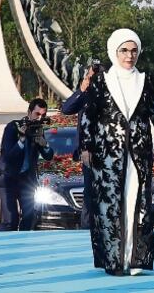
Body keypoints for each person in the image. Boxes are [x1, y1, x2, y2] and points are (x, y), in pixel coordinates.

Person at [81, 29, 154, 276]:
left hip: (139, 155)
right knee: (109, 207)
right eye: (124, 50)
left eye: (133, 51)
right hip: (107, 157)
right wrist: (86, 146)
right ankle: (113, 260)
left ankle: (132, 259)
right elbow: (88, 115)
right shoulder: (101, 81)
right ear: (114, 51)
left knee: (136, 204)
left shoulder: (145, 80)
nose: (129, 56)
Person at [0, 99, 54, 231]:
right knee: (10, 220)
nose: (40, 118)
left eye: (43, 115)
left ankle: (23, 241)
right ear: (29, 112)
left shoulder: (38, 130)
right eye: (37, 114)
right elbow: (7, 156)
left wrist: (45, 145)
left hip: (26, 180)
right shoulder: (13, 127)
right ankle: (1, 241)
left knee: (29, 217)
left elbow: (48, 156)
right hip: (8, 178)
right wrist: (21, 140)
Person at [60, 62, 98, 229]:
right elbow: (66, 109)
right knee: (89, 192)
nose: (91, 80)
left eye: (95, 77)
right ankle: (86, 230)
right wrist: (82, 90)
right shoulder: (85, 96)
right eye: (89, 77)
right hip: (87, 152)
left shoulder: (111, 96)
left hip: (108, 151)